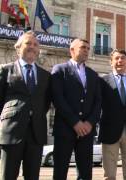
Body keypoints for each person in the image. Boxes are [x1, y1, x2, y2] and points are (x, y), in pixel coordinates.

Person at [0, 31, 51, 180]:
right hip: (11, 132)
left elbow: (46, 103)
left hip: (36, 134)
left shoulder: (45, 75)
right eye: (28, 43)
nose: (32, 47)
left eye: (36, 44)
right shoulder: (5, 70)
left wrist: (34, 115)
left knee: (32, 176)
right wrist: (9, 118)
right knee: (8, 176)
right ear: (18, 48)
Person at [51, 38, 101, 180]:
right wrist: (75, 122)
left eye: (87, 48)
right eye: (83, 47)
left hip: (87, 131)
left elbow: (98, 102)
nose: (86, 50)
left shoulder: (93, 74)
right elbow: (58, 99)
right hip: (65, 129)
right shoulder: (60, 70)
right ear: (72, 50)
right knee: (60, 171)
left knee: (85, 173)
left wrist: (89, 123)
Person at [99, 49, 126, 180]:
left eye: (122, 58)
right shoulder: (103, 81)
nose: (120, 61)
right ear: (111, 62)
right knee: (109, 174)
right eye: (116, 58)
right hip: (109, 130)